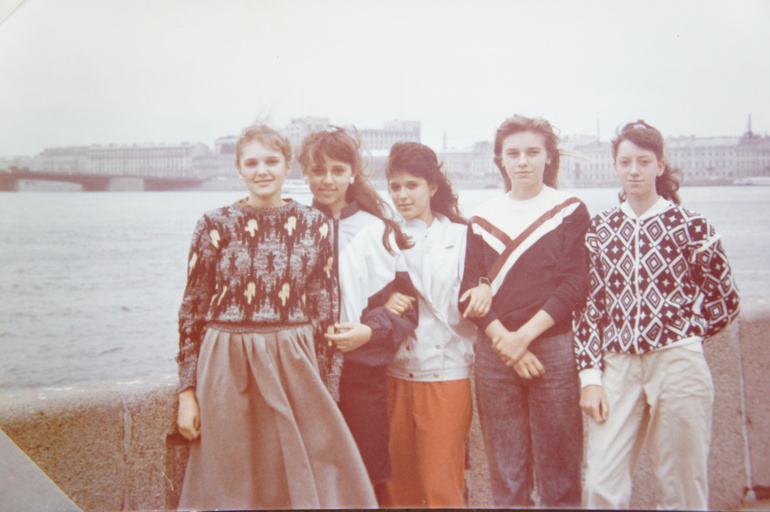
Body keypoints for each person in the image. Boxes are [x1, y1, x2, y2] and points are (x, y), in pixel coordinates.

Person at [174, 124, 376, 510]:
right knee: (230, 475)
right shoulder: (213, 224)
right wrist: (187, 393)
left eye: (271, 161)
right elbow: (192, 309)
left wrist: (328, 390)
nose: (262, 171)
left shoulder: (314, 225)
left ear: (287, 166)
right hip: (226, 362)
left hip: (294, 359)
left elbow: (324, 309)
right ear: (239, 169)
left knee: (297, 476)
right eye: (251, 163)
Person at [574, 120, 741, 510]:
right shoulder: (600, 229)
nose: (634, 171)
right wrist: (590, 378)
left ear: (659, 166)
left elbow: (725, 299)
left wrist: (683, 333)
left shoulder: (692, 226)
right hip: (617, 366)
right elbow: (588, 309)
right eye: (625, 162)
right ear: (615, 166)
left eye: (643, 161)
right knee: (600, 482)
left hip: (677, 364)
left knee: (681, 483)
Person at [459, 114, 589, 508]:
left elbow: (573, 284)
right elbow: (468, 291)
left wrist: (523, 338)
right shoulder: (482, 217)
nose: (523, 162)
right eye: (513, 154)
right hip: (496, 353)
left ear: (549, 157)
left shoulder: (569, 209)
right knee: (506, 468)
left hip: (552, 348)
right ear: (499, 159)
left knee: (560, 466)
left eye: (533, 152)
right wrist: (506, 343)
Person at [298, 125, 418, 504]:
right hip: (305, 372)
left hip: (362, 375)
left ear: (353, 173)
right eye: (318, 171)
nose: (328, 180)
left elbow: (408, 305)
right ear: (304, 173)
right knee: (314, 476)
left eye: (338, 170)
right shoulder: (292, 227)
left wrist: (370, 330)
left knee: (366, 478)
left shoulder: (378, 231)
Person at [381, 141, 476, 508]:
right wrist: (385, 301)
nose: (402, 195)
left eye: (412, 185)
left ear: (433, 186)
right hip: (395, 373)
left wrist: (483, 286)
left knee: (442, 486)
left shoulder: (464, 237)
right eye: (395, 187)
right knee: (398, 489)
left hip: (446, 373)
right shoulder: (383, 237)